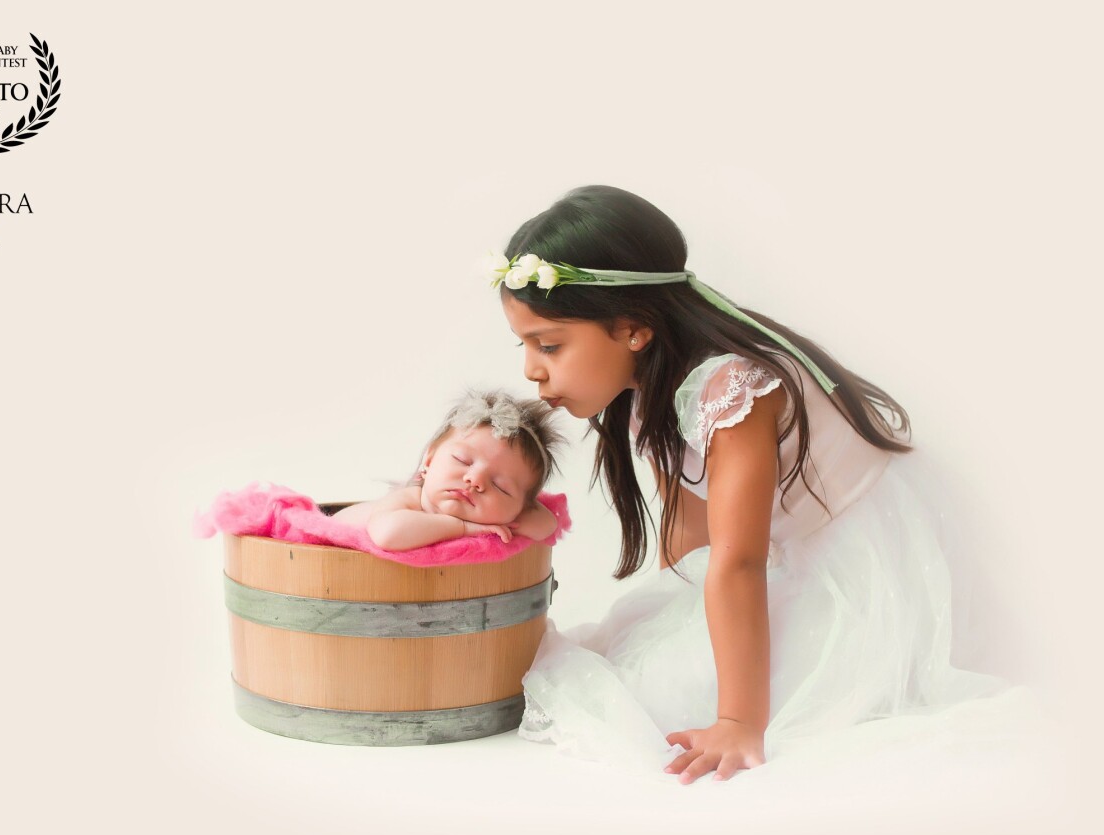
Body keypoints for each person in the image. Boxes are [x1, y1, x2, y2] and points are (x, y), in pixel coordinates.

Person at [488, 185, 1010, 784]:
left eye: (549, 345)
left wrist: (738, 720)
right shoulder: (646, 389)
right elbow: (692, 531)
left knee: (685, 698)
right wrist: (668, 623)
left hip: (869, 556)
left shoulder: (731, 390)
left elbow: (739, 562)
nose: (531, 370)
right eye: (524, 345)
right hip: (781, 553)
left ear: (634, 328)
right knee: (649, 668)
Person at [330, 389, 565, 551]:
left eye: (500, 486)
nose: (475, 480)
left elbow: (546, 524)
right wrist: (465, 528)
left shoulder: (506, 513)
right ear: (429, 460)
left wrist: (512, 517)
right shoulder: (408, 501)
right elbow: (388, 535)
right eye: (462, 460)